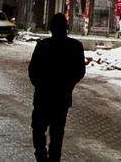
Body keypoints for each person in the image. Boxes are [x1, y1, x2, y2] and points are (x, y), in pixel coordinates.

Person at [28, 13, 84, 162]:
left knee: (39, 130)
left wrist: (41, 86)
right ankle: (53, 159)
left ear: (51, 28)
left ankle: (41, 156)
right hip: (62, 98)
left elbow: (32, 71)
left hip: (42, 98)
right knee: (57, 133)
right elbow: (80, 72)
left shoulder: (43, 45)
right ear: (67, 28)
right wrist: (67, 86)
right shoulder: (75, 46)